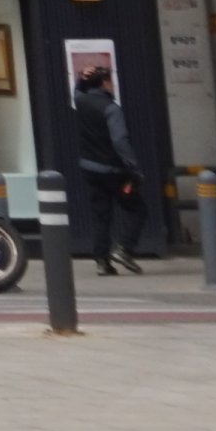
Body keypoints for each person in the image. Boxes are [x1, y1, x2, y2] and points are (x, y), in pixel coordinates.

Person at [71, 57, 147, 276]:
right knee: (138, 209)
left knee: (101, 215)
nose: (111, 85)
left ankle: (102, 262)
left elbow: (77, 92)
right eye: (109, 81)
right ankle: (124, 249)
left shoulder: (82, 102)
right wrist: (133, 167)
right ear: (104, 83)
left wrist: (80, 79)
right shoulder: (111, 109)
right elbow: (120, 140)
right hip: (113, 170)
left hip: (89, 169)